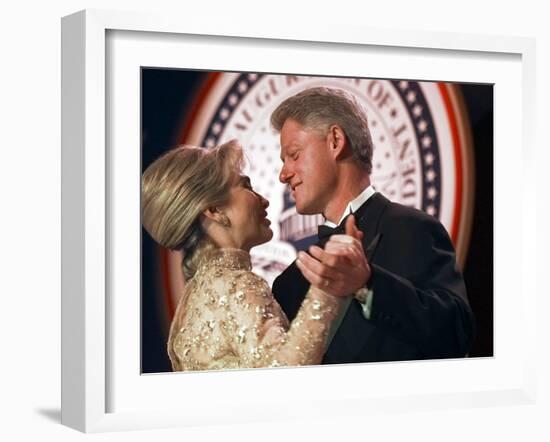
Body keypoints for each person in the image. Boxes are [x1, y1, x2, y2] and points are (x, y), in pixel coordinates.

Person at [270, 86, 475, 363]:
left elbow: (456, 335)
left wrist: (368, 285)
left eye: (293, 155)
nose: (284, 174)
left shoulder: (412, 229)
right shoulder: (290, 283)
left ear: (335, 141)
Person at [141, 140, 348, 371]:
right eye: (246, 186)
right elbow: (281, 373)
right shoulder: (235, 285)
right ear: (214, 211)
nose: (265, 200)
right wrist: (328, 288)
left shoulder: (193, 298)